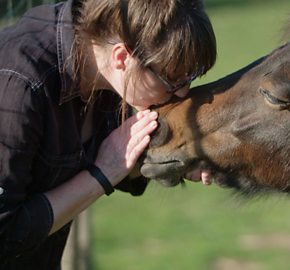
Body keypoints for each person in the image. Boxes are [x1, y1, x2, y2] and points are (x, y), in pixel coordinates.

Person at [0, 0, 216, 269]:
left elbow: (124, 165)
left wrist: (177, 160)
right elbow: (5, 234)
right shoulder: (18, 85)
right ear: (122, 57)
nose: (183, 93)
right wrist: (102, 174)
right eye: (173, 79)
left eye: (190, 77)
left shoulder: (109, 71)